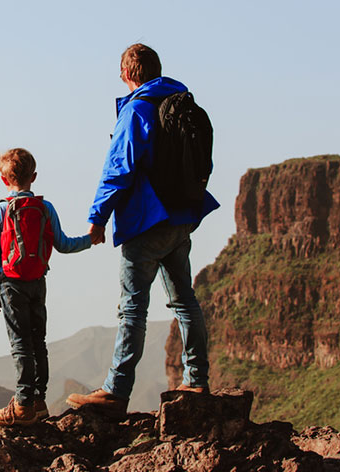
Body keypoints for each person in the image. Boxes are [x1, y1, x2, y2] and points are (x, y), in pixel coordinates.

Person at [66, 44, 220, 417]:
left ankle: (116, 392)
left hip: (146, 221)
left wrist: (97, 218)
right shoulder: (183, 106)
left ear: (126, 73)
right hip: (181, 218)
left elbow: (119, 168)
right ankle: (196, 378)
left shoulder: (137, 109)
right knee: (185, 299)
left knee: (133, 307)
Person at [0, 148, 94, 426]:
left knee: (20, 343)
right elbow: (64, 244)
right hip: (37, 281)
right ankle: (39, 401)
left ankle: (22, 406)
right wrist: (91, 239)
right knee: (38, 342)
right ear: (34, 176)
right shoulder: (45, 208)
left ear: (3, 179)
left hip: (10, 284)